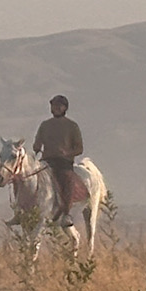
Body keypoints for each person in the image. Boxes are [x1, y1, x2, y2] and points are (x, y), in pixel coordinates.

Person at [33, 96, 85, 224]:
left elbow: (79, 148)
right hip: (46, 161)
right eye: (53, 106)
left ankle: (66, 213)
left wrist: (67, 153)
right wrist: (37, 147)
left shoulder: (72, 126)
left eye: (59, 106)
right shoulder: (45, 125)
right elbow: (37, 143)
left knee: (67, 180)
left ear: (65, 108)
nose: (55, 108)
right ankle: (23, 209)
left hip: (63, 163)